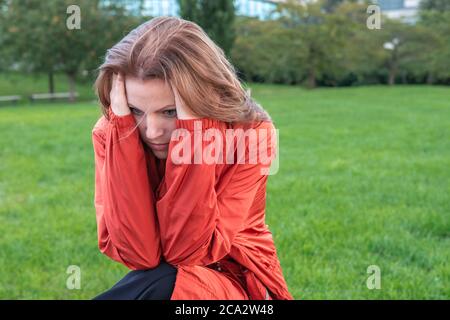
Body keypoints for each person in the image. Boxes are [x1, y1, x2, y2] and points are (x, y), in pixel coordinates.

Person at [91, 16, 293, 300]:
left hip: (242, 287)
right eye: (136, 109)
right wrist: (123, 136)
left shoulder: (252, 135)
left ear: (203, 99)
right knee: (161, 280)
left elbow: (186, 252)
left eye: (170, 112)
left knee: (166, 280)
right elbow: (138, 254)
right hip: (162, 282)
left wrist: (194, 135)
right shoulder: (114, 133)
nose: (152, 131)